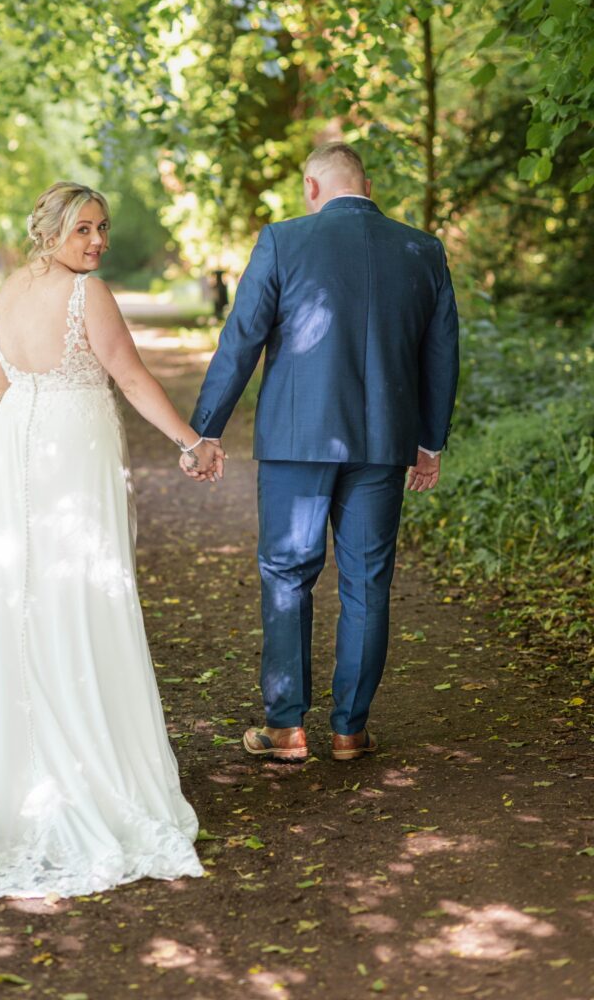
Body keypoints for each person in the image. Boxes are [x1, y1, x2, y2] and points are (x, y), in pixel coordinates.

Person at [0, 181, 224, 898]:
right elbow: (126, 374)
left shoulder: (8, 289)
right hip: (65, 457)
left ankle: (15, 770)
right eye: (84, 228)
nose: (97, 242)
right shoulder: (86, 296)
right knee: (74, 594)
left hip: (21, 453)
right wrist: (191, 441)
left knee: (15, 598)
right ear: (50, 229)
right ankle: (77, 774)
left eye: (103, 229)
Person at [190, 143, 459, 763]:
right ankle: (349, 730)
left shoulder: (283, 240)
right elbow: (441, 352)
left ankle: (286, 728)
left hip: (297, 440)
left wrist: (207, 428)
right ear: (367, 185)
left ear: (312, 188)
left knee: (288, 574)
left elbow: (242, 338)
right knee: (367, 581)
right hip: (385, 443)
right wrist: (429, 441)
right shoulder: (422, 249)